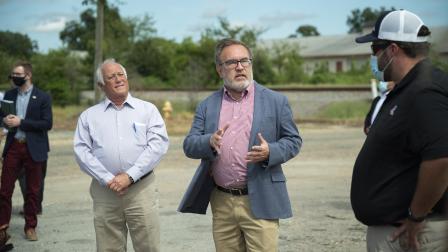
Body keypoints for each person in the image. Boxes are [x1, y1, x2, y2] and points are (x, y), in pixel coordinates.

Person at [178, 38, 302, 251]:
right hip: (222, 200)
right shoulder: (207, 105)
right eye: (231, 62)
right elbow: (189, 145)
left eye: (245, 61)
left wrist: (270, 151)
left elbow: (293, 141)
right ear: (219, 69)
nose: (240, 67)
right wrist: (208, 141)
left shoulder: (275, 101)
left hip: (261, 197)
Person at [351, 10, 448, 251]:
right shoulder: (407, 89)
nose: (373, 56)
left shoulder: (424, 91)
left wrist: (416, 215)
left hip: (413, 233)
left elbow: (441, 159)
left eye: (375, 48)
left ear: (393, 49)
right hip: (398, 231)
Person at [74, 58, 169, 252]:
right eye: (111, 77)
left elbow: (157, 146)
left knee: (148, 246)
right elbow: (82, 152)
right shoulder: (89, 116)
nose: (118, 79)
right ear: (101, 85)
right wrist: (109, 179)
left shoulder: (147, 110)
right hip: (105, 192)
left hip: (141, 189)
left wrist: (130, 176)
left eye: (121, 75)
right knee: (109, 247)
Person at [0, 62, 53, 244]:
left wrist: (21, 122)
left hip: (34, 148)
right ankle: (2, 228)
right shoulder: (9, 94)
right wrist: (4, 120)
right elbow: (2, 116)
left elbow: (47, 124)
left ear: (28, 75)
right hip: (13, 146)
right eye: (12, 73)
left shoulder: (43, 97)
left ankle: (30, 226)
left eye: (17, 73)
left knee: (32, 191)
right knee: (5, 190)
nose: (14, 76)